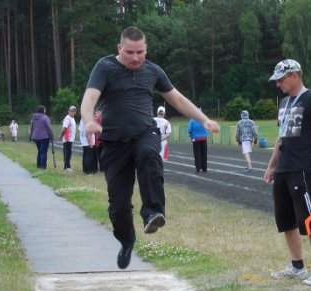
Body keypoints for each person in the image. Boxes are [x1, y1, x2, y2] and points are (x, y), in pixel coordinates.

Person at [81, 26, 219, 269]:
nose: (135, 58)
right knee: (118, 206)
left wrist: (204, 119)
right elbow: (90, 97)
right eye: (130, 52)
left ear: (146, 49)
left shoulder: (153, 71)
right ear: (119, 48)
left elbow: (177, 99)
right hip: (114, 142)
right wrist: (89, 120)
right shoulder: (105, 67)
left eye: (140, 52)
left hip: (144, 133)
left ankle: (153, 212)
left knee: (149, 155)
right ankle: (126, 240)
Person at [263, 59, 311, 286]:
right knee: (285, 221)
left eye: (281, 80)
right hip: (283, 169)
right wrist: (272, 166)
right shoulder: (284, 103)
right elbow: (281, 138)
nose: (278, 84)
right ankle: (297, 266)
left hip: (302, 168)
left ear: (294, 76)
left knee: (309, 219)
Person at [61, 106, 77, 172]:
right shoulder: (67, 118)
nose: (72, 112)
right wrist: (61, 135)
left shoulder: (72, 118)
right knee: (67, 153)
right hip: (67, 138)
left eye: (73, 111)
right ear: (69, 111)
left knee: (68, 153)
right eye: (71, 111)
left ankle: (66, 167)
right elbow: (64, 128)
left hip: (70, 138)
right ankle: (67, 167)